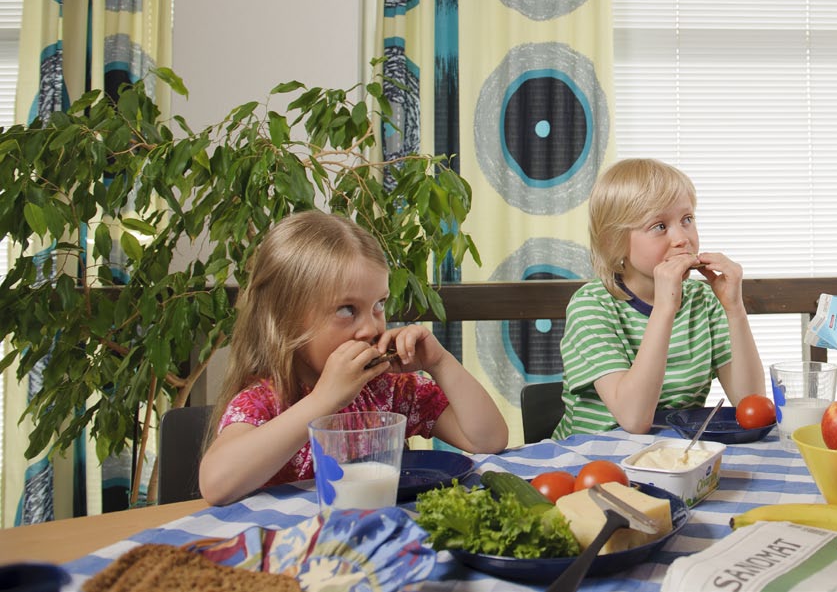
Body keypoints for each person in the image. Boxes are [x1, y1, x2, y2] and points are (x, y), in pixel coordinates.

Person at [198, 210, 508, 505]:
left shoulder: (387, 390)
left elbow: (488, 440)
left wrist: (440, 362)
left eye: (379, 304)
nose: (372, 327)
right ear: (286, 320)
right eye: (347, 310)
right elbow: (216, 484)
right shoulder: (265, 402)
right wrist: (323, 400)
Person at [554, 158, 766, 437]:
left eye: (687, 220)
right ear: (613, 242)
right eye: (659, 226)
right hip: (598, 458)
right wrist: (665, 309)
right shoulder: (592, 307)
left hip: (676, 454)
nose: (682, 238)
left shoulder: (704, 301)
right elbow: (634, 420)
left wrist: (734, 309)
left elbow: (750, 406)